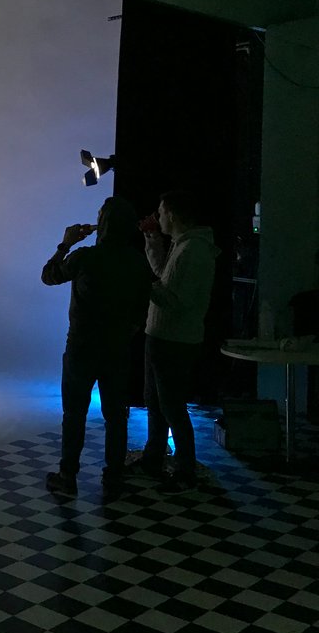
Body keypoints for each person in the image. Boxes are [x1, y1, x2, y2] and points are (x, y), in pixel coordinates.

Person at [41, 197, 152, 497]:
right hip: (117, 348)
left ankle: (68, 476)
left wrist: (65, 244)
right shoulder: (136, 261)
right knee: (116, 415)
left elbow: (49, 275)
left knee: (74, 413)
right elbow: (143, 306)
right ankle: (114, 476)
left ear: (102, 224)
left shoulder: (85, 257)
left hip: (81, 346)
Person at [134, 190, 217, 492]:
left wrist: (141, 283)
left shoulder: (193, 250)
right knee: (157, 403)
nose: (157, 217)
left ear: (172, 213)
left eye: (160, 212)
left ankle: (185, 471)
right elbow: (164, 277)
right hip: (163, 336)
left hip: (174, 340)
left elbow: (176, 300)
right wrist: (152, 241)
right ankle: (154, 459)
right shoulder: (184, 246)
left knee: (171, 407)